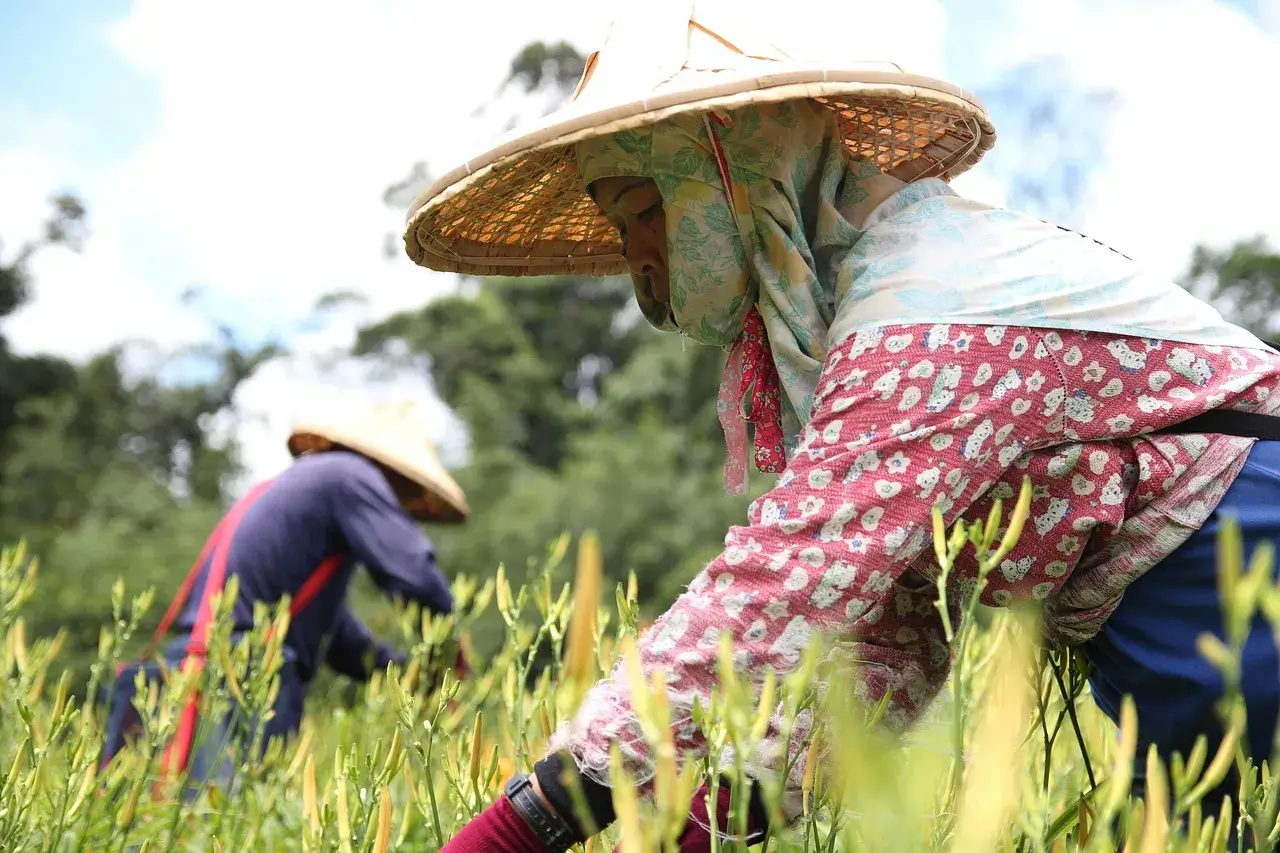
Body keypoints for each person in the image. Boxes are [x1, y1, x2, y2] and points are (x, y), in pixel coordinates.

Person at [402, 7, 1280, 851]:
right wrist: (708, 823)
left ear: (724, 172)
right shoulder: (862, 314)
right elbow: (886, 640)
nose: (637, 254)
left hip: (1243, 558)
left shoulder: (929, 305)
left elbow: (782, 586)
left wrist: (526, 822)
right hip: (1162, 629)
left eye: (642, 208)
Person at [102, 401, 470, 783]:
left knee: (176, 819)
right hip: (246, 670)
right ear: (394, 473)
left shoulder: (302, 484)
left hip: (192, 662)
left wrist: (400, 673)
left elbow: (337, 634)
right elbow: (415, 575)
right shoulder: (350, 475)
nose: (402, 507)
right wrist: (449, 659)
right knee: (230, 824)